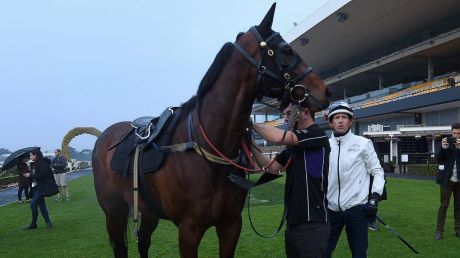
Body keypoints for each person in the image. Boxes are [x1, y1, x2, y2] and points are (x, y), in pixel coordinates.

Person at [250, 102, 331, 258]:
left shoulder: (317, 133)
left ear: (306, 113)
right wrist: (251, 143)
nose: (285, 118)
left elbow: (278, 137)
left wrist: (250, 124)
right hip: (293, 224)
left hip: (313, 224)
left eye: (288, 113)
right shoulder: (293, 146)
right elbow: (271, 168)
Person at [325, 102, 385, 258]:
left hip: (356, 209)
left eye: (344, 117)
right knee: (323, 252)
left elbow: (377, 172)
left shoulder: (363, 143)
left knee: (359, 254)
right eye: (336, 117)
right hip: (330, 210)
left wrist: (374, 198)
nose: (340, 121)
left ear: (350, 121)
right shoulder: (325, 146)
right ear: (331, 122)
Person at [434, 122, 460, 240]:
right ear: (451, 132)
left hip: (459, 180)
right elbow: (438, 159)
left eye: (458, 134)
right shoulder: (445, 143)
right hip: (446, 180)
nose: (456, 136)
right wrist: (444, 149)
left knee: (458, 206)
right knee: (444, 206)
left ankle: (458, 230)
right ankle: (439, 231)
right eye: (454, 133)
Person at [23, 149, 57, 230]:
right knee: (42, 206)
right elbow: (35, 175)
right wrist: (29, 174)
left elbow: (42, 175)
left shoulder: (43, 163)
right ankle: (48, 223)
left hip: (42, 187)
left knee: (33, 204)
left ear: (36, 155)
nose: (30, 156)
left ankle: (34, 224)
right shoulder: (33, 164)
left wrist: (30, 175)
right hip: (35, 187)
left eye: (31, 155)